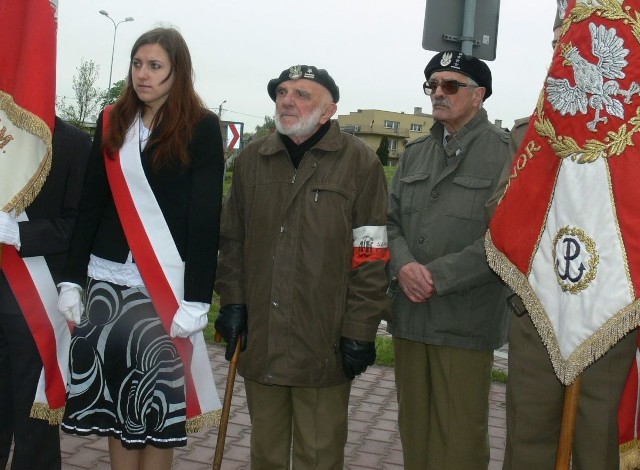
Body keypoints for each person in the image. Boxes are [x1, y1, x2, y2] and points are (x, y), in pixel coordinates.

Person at [56, 27, 225, 470]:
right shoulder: (113, 120)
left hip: (163, 286)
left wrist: (197, 297)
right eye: (137, 64)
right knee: (115, 400)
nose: (143, 75)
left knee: (157, 399)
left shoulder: (202, 128)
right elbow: (91, 203)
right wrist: (72, 279)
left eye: (155, 66)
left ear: (177, 72)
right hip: (108, 281)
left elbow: (206, 218)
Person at [214, 64, 391, 469]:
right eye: (282, 93)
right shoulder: (252, 161)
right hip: (263, 336)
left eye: (301, 94)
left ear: (329, 110)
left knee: (319, 455)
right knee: (267, 454)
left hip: (323, 342)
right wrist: (233, 302)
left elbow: (372, 255)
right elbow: (233, 240)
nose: (287, 100)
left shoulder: (360, 165)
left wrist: (361, 329)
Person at [488, 7, 638, 470]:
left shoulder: (631, 138)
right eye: (560, 44)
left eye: (576, 40)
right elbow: (498, 210)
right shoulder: (532, 134)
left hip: (607, 311)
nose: (567, 50)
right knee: (528, 438)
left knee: (596, 443)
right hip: (535, 306)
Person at [386, 50, 510, 470]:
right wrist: (402, 265)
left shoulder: (506, 154)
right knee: (414, 436)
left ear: (479, 95)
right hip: (410, 316)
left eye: (450, 85)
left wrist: (437, 277)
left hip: (464, 319)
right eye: (433, 85)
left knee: (459, 443)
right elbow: (389, 222)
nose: (438, 92)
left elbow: (508, 239)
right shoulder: (415, 152)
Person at [0, 117, 91, 469]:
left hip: (33, 304)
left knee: (34, 424)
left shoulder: (72, 142)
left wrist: (24, 234)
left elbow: (79, 222)